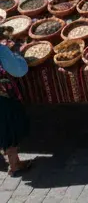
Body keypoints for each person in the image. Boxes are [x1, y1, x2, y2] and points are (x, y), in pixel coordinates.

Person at [0, 22, 31, 176]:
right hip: (3, 98)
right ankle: (15, 164)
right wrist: (18, 54)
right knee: (8, 126)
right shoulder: (1, 50)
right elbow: (19, 70)